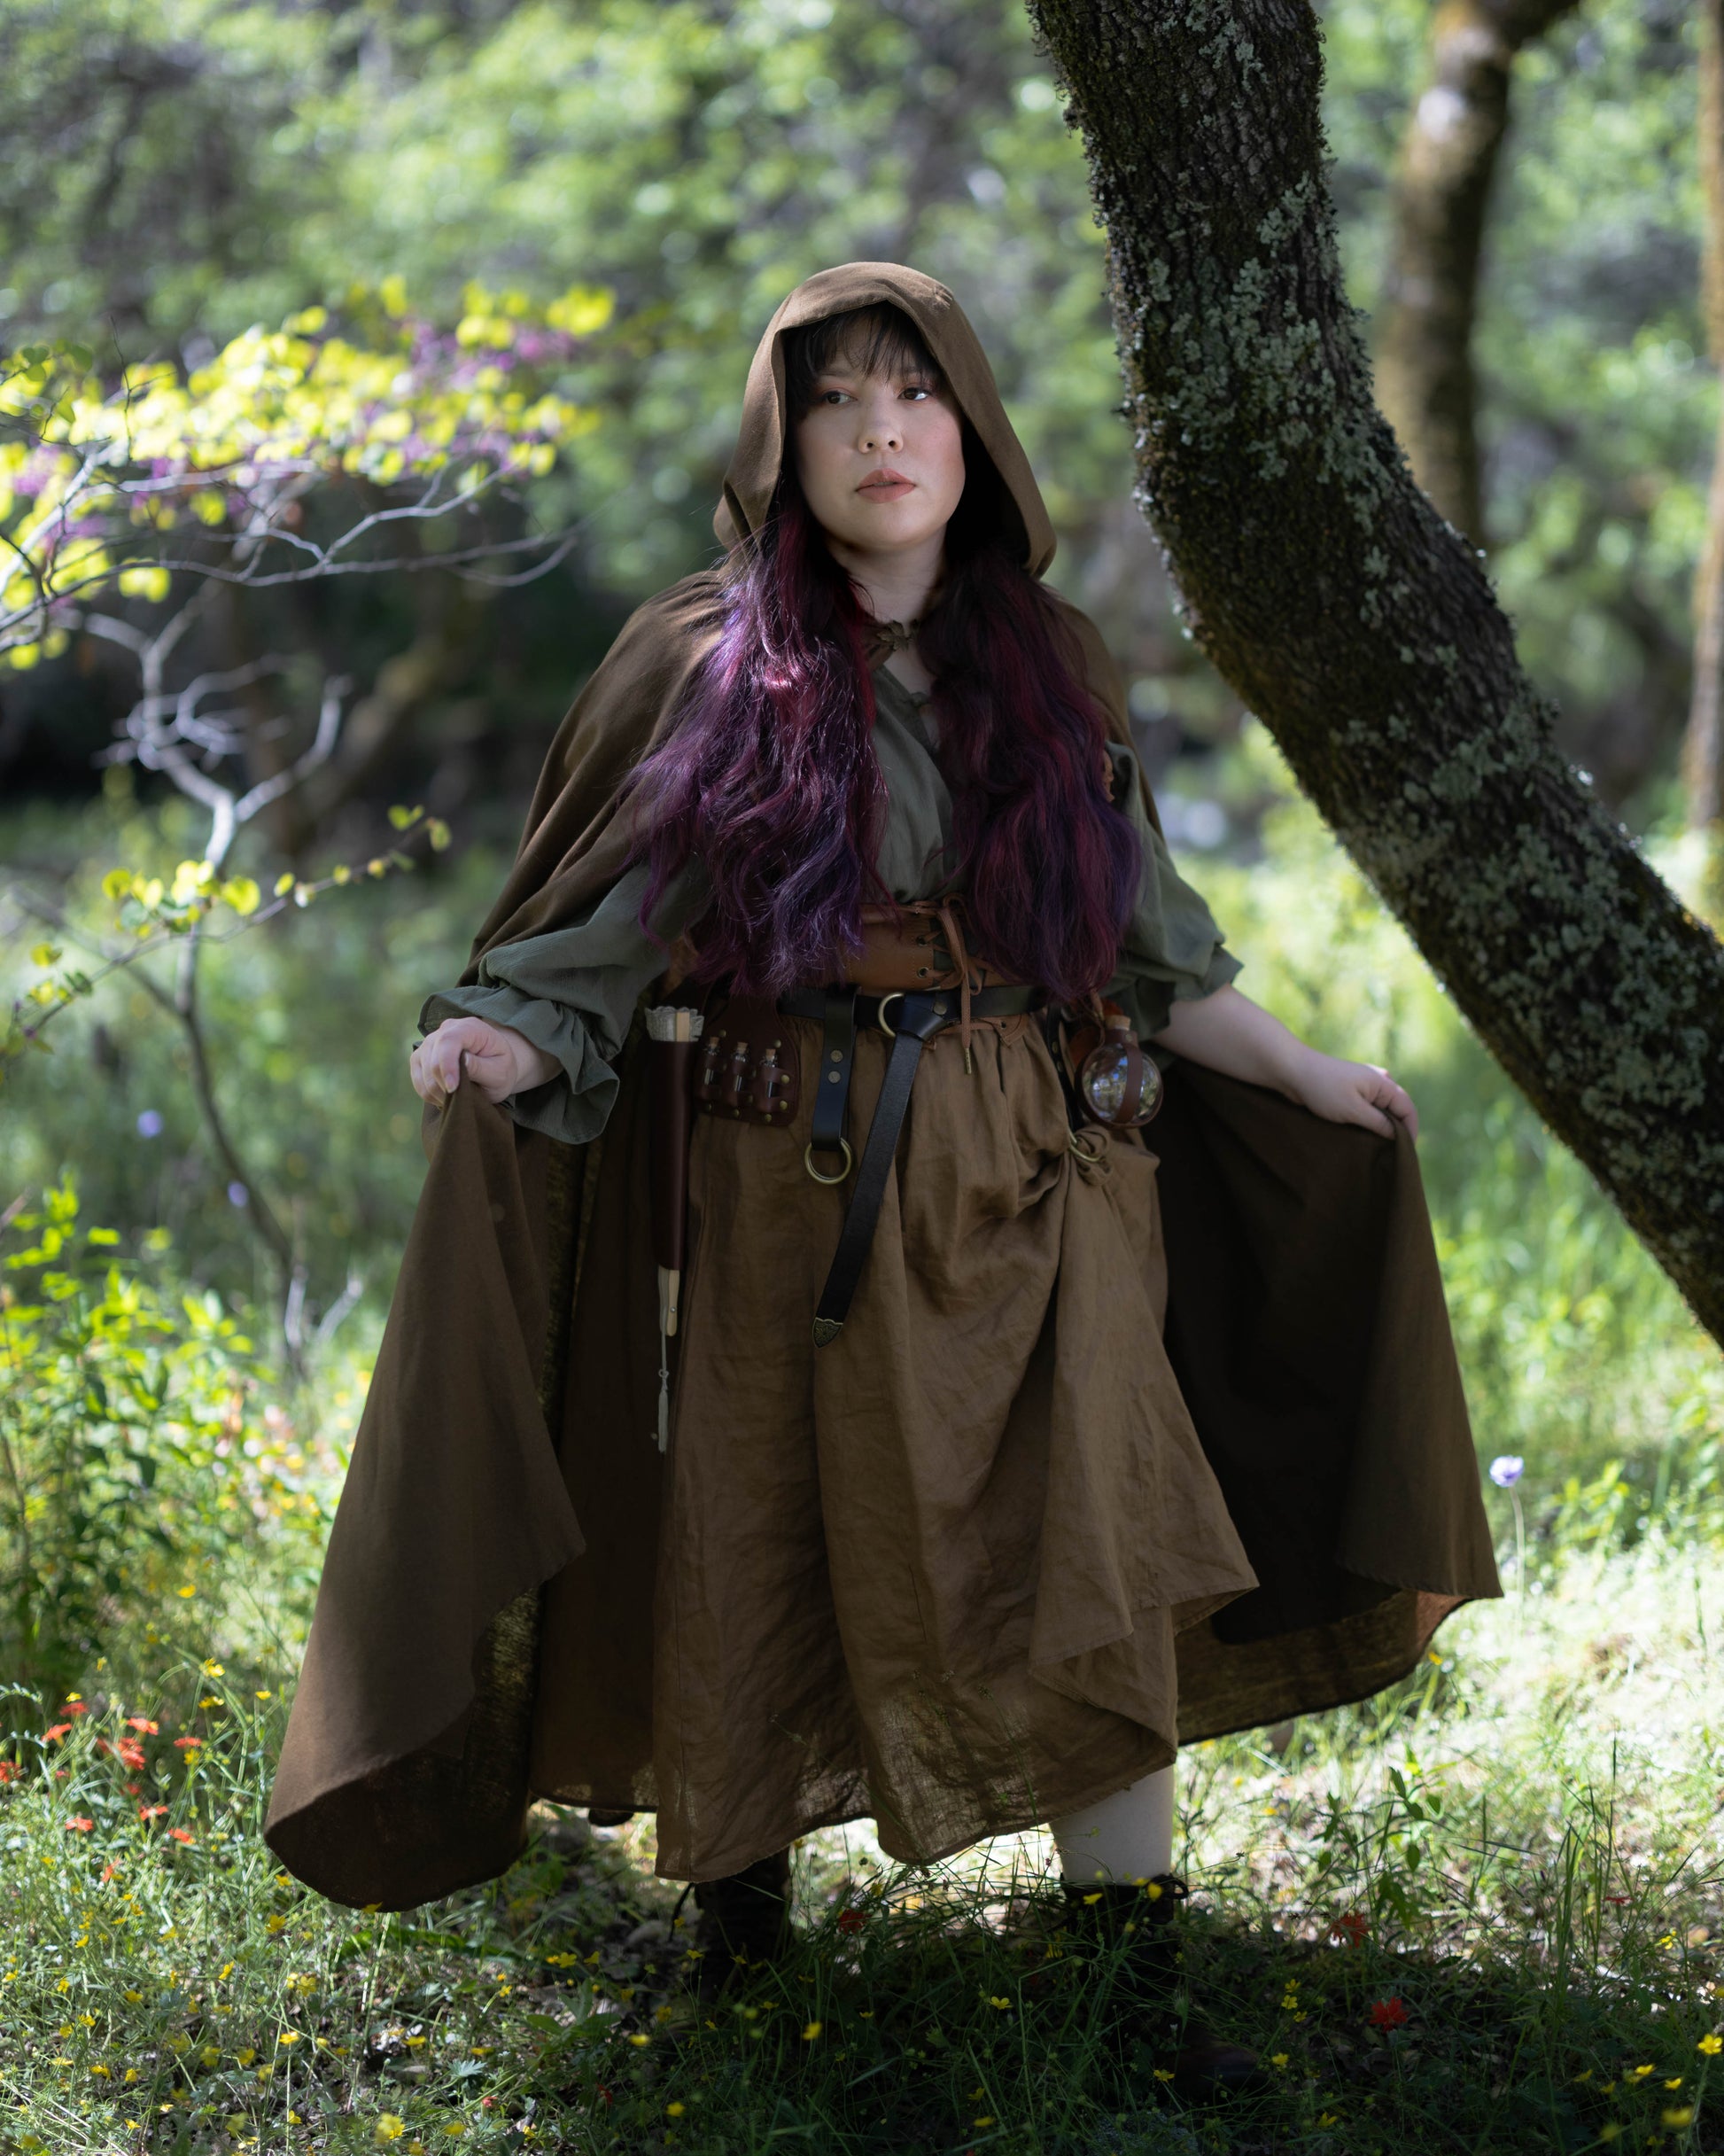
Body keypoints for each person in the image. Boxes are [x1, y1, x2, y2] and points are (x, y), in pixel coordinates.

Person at [265, 265, 1499, 2091]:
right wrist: (507, 1037)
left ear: (972, 429)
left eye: (912, 394)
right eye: (835, 399)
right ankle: (741, 1932)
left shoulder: (1051, 661)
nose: (879, 432)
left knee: (1094, 1539)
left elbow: (1150, 945)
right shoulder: (700, 658)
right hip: (783, 1171)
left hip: (1039, 1175)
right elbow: (605, 914)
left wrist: (1313, 1076)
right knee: (756, 1519)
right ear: (785, 442)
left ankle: (1126, 1972)